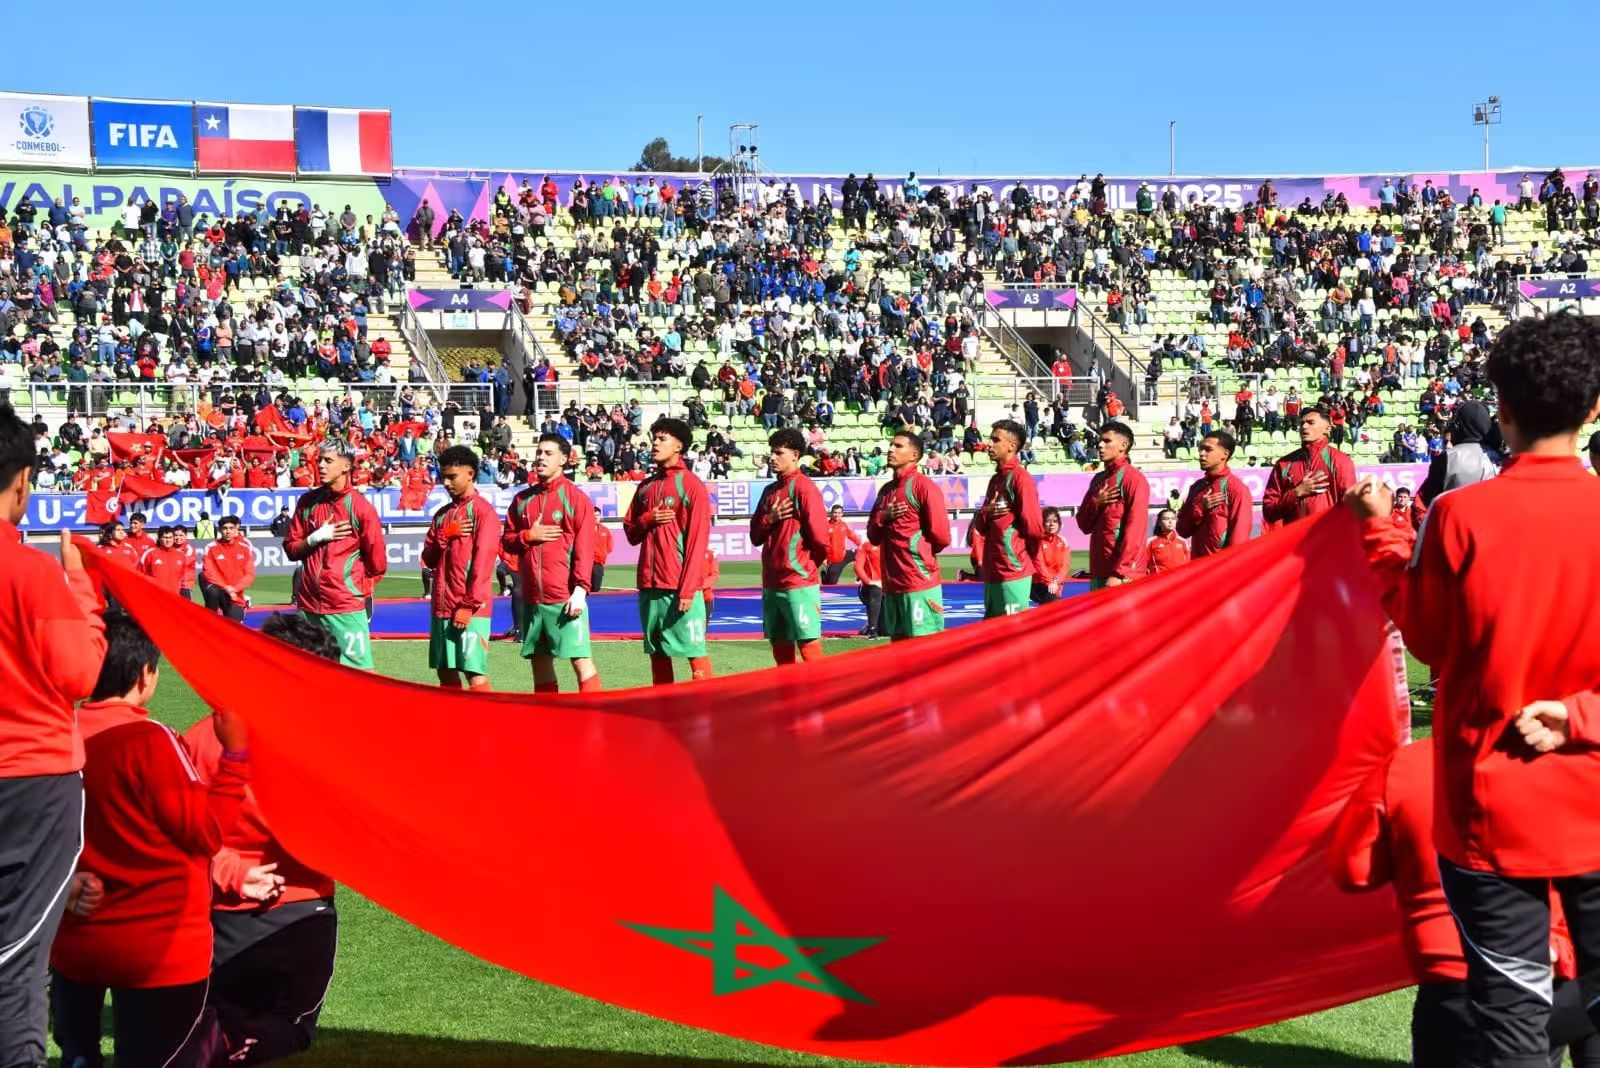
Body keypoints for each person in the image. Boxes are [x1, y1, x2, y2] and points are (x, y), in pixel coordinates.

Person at [1346, 314, 1600, 1068]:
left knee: (1512, 1018)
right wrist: (1583, 716)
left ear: (1503, 411)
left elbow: (1426, 640)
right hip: (1583, 794)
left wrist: (1382, 533)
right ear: (1594, 410)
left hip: (1492, 806)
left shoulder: (1460, 515)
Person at [51, 614, 249, 1068]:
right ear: (146, 674)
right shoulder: (150, 741)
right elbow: (205, 833)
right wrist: (235, 758)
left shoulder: (55, 735)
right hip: (156, 947)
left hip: (73, 941)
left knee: (78, 1054)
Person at [1331, 738, 1600, 1068]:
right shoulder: (1567, 763)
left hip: (1457, 991)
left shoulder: (1405, 765)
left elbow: (1354, 872)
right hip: (1548, 977)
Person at [182, 614, 341, 1066]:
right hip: (298, 913)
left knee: (219, 1021)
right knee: (287, 1029)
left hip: (215, 917)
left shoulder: (203, 736)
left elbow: (182, 834)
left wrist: (230, 872)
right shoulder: (326, 745)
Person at [0, 405, 107, 1068]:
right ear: (21, 484)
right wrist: (82, 591)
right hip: (32, 782)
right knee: (17, 963)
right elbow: (81, 674)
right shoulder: (33, 572)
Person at [503, 435, 601, 694]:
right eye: (539, 452)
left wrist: (580, 590)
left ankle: (595, 713)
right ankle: (549, 715)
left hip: (563, 597)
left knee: (580, 660)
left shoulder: (576, 499)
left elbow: (584, 549)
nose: (541, 458)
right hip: (533, 599)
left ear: (564, 459)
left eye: (548, 453)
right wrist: (527, 536)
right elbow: (507, 541)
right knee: (539, 662)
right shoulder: (522, 500)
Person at [623, 418, 713, 685]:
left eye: (662, 439)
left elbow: (697, 543)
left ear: (678, 446)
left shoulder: (692, 486)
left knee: (694, 650)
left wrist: (688, 589)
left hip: (679, 587)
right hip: (649, 586)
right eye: (654, 438)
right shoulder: (646, 487)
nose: (655, 443)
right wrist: (647, 519)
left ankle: (706, 704)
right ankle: (664, 706)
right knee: (658, 653)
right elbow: (631, 534)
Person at [282, 442, 387, 669]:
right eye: (319, 460)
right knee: (309, 675)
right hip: (308, 607)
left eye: (328, 461)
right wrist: (314, 539)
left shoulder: (361, 508)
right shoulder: (307, 503)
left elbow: (377, 564)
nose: (320, 465)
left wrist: (348, 586)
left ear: (346, 466)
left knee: (360, 677)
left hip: (345, 607)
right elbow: (290, 549)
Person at [420, 446, 502, 691]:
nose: (446, 483)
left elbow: (483, 564)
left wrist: (468, 604)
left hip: (470, 608)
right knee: (445, 672)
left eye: (452, 477)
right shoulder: (441, 515)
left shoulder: (483, 513)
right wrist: (443, 536)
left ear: (471, 474)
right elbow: (428, 559)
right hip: (442, 608)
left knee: (473, 672)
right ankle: (457, 717)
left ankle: (488, 717)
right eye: (443, 477)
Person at [749, 429, 830, 665]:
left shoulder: (804, 488)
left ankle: (822, 689)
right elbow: (755, 536)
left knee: (808, 644)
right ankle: (790, 688)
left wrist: (808, 565)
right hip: (772, 582)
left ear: (795, 455)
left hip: (798, 581)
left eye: (779, 453)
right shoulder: (769, 491)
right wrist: (770, 519)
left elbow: (820, 538)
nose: (772, 458)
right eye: (771, 453)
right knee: (780, 645)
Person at [866, 432, 951, 642]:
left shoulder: (924, 487)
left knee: (925, 649)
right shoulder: (885, 491)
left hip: (918, 582)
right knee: (899, 649)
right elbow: (873, 537)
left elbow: (941, 536)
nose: (890, 449)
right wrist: (882, 517)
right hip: (892, 586)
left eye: (898, 446)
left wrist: (921, 555)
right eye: (891, 445)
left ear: (914, 455)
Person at [972, 419, 1044, 618]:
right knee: (992, 630)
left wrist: (1020, 557)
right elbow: (981, 526)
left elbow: (1034, 528)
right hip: (994, 570)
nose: (989, 444)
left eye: (996, 440)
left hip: (1013, 570)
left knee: (1014, 632)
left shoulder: (1021, 478)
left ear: (1012, 446)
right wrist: (987, 512)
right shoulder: (996, 480)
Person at [1075, 422, 1150, 589]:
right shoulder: (1098, 479)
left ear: (1123, 446)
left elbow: (1136, 530)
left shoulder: (1134, 479)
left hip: (1123, 575)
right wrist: (1096, 502)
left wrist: (1119, 573)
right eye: (1100, 441)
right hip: (1099, 571)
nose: (1100, 445)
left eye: (1107, 441)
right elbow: (1084, 525)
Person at [1262, 408, 1355, 525]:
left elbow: (1352, 507)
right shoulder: (1284, 463)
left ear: (1327, 429)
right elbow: (1269, 512)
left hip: (1328, 535)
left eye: (1311, 423)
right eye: (1302, 423)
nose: (1304, 427)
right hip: (1295, 536)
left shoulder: (1339, 461)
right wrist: (1296, 493)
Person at [1176, 430, 1253, 557]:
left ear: (1225, 454)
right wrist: (1200, 508)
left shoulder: (1237, 488)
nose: (1201, 454)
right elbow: (1182, 530)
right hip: (1198, 566)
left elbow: (1240, 540)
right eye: (1201, 449)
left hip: (1222, 567)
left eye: (1208, 450)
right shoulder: (1196, 487)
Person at [1417, 399, 1500, 506]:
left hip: (1457, 514)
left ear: (1458, 425)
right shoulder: (1502, 456)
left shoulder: (1447, 457)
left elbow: (1427, 500)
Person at [200, 517, 255, 622]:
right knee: (212, 591)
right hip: (220, 591)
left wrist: (235, 589)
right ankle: (210, 620)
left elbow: (249, 574)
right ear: (220, 530)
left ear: (236, 530)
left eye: (231, 528)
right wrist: (226, 587)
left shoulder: (245, 548)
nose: (228, 531)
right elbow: (208, 573)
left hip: (235, 595)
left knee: (235, 626)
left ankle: (242, 603)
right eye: (225, 528)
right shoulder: (211, 548)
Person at [1031, 506, 1070, 604]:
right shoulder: (1037, 541)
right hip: (1039, 583)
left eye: (1055, 521)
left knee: (1050, 607)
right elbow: (1039, 565)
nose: (1052, 524)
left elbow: (1065, 565)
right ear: (1042, 523)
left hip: (1055, 584)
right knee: (1055, 605)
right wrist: (1050, 582)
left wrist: (1056, 581)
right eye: (1048, 521)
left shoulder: (1063, 541)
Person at [139, 525, 188, 596]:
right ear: (159, 538)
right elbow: (140, 574)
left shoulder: (181, 555)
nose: (168, 540)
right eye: (165, 537)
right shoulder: (150, 553)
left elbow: (181, 575)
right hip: (153, 595)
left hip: (173, 596)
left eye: (170, 537)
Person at [821, 504, 861, 585]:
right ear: (831, 513)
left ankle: (860, 578)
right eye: (835, 513)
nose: (837, 515)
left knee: (864, 554)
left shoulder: (843, 525)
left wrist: (860, 544)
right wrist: (823, 558)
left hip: (844, 555)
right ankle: (825, 578)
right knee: (830, 585)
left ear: (842, 514)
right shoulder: (826, 526)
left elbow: (851, 535)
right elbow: (823, 543)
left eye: (839, 513)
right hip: (834, 560)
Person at [1145, 508, 1190, 573]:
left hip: (1181, 578)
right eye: (1166, 519)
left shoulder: (1183, 542)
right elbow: (1144, 566)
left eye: (1173, 518)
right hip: (1160, 579)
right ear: (1159, 522)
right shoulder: (1150, 542)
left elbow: (1188, 565)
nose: (1170, 521)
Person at [853, 539, 883, 638]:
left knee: (887, 630)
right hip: (870, 587)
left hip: (889, 587)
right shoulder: (866, 545)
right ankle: (872, 629)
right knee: (876, 589)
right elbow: (858, 567)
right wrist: (870, 581)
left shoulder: (893, 543)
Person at [174, 527, 198, 603]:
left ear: (186, 536)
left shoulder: (189, 549)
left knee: (185, 608)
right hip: (171, 584)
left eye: (181, 535)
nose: (178, 538)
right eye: (176, 535)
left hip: (184, 585)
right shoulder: (169, 547)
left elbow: (181, 565)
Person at [591, 519, 613, 593]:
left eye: (597, 515)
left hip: (599, 563)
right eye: (594, 515)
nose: (595, 517)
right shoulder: (585, 529)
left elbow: (609, 547)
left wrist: (602, 554)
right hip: (587, 562)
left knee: (596, 587)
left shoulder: (605, 530)